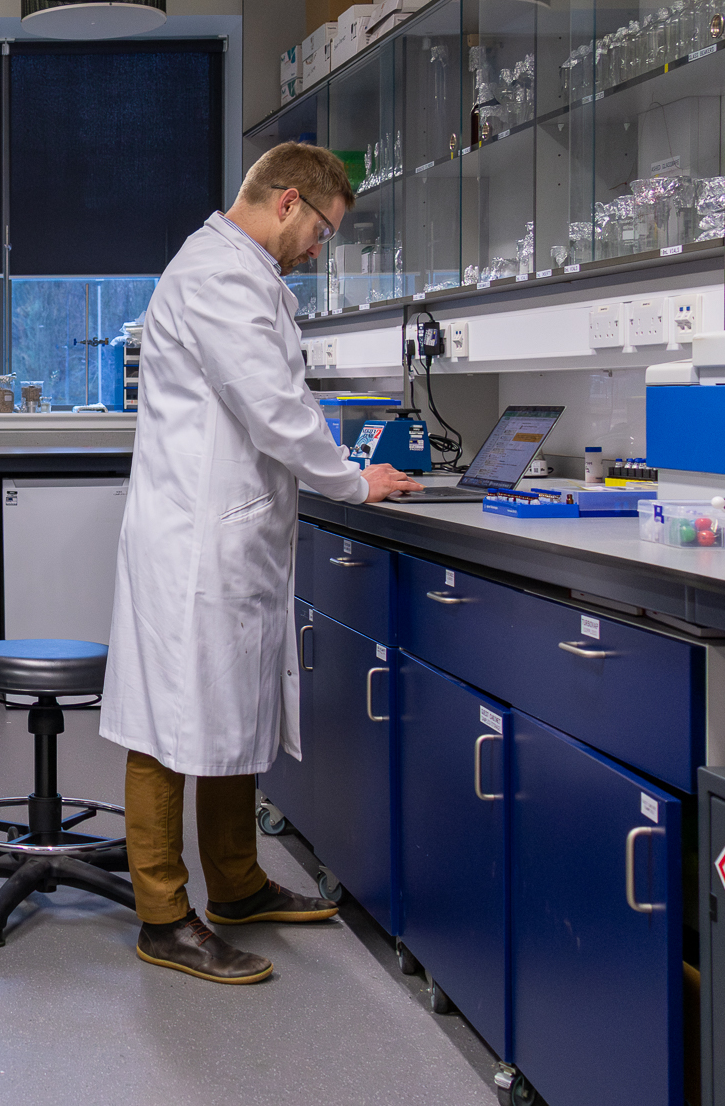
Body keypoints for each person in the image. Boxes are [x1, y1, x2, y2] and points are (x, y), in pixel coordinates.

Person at [101, 142, 422, 985]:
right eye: (322, 229)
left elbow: (280, 403)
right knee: (170, 723)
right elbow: (277, 410)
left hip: (231, 535)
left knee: (228, 708)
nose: (321, 250)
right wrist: (353, 479)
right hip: (194, 540)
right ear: (287, 202)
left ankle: (238, 884)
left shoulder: (245, 274)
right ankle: (164, 915)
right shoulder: (215, 273)